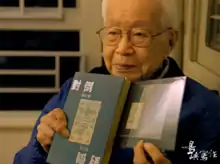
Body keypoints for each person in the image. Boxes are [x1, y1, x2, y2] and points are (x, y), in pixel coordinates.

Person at [14, 0, 220, 163]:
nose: (122, 49)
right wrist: (41, 148)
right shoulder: (74, 91)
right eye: (113, 33)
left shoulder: (204, 109)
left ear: (170, 41)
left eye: (140, 35)